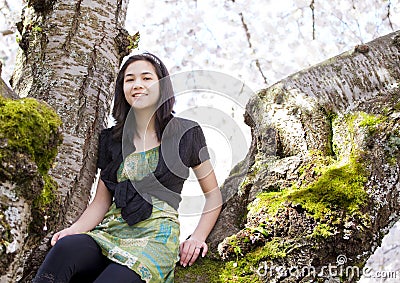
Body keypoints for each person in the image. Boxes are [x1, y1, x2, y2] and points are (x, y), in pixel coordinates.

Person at [33, 52, 222, 283]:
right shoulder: (111, 139)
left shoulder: (186, 133)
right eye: (129, 79)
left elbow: (213, 196)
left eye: (146, 78)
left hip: (154, 239)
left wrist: (197, 237)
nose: (137, 85)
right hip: (110, 231)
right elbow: (101, 202)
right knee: (66, 247)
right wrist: (73, 230)